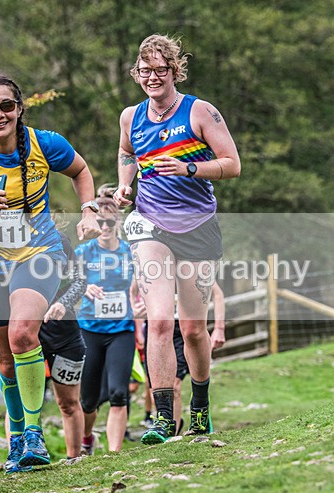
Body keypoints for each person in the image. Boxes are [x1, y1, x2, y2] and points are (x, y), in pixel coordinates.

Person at [0, 72, 100, 472]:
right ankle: (16, 440)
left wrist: (89, 210)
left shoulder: (46, 144)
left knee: (24, 333)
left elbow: (81, 172)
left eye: (6, 106)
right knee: (6, 358)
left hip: (38, 253)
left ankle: (33, 436)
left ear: (19, 107)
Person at [114, 34, 241, 444]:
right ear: (137, 73)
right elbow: (126, 153)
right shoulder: (130, 117)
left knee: (192, 329)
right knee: (159, 321)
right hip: (151, 223)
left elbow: (232, 165)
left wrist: (189, 170)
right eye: (145, 70)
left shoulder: (199, 111)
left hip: (198, 226)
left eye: (160, 70)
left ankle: (200, 408)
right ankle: (164, 419)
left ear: (174, 70)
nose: (152, 77)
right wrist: (123, 186)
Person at [76, 197, 136, 454]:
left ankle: (114, 453)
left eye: (110, 221)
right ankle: (87, 438)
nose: (105, 226)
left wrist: (142, 305)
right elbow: (67, 284)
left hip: (122, 330)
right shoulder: (84, 252)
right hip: (89, 330)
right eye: (99, 221)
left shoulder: (130, 253)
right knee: (88, 400)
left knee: (119, 393)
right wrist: (84, 288)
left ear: (117, 221)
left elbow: (143, 287)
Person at [38, 226, 87, 460]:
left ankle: (74, 458)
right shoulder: (6, 240)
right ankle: (17, 458)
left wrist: (63, 303)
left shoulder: (59, 239)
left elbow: (80, 280)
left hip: (64, 332)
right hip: (28, 332)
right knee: (23, 401)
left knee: (67, 402)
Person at [170, 283, 225, 434]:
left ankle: (175, 431)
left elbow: (217, 293)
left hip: (185, 330)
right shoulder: (154, 266)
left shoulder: (188, 264)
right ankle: (168, 424)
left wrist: (219, 328)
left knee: (174, 384)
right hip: (159, 329)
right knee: (155, 389)